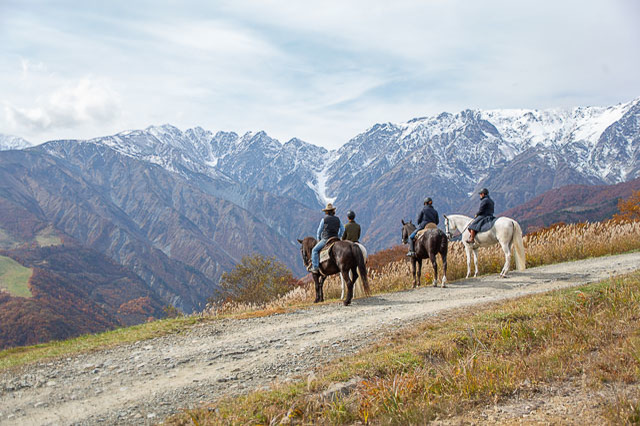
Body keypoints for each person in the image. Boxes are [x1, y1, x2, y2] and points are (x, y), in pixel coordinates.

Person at [310, 203, 345, 273]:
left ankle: (315, 267)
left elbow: (319, 231)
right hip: (336, 238)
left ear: (326, 212)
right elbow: (343, 229)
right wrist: (339, 236)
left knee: (314, 251)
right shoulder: (338, 219)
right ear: (333, 211)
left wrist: (319, 239)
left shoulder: (324, 220)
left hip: (326, 239)